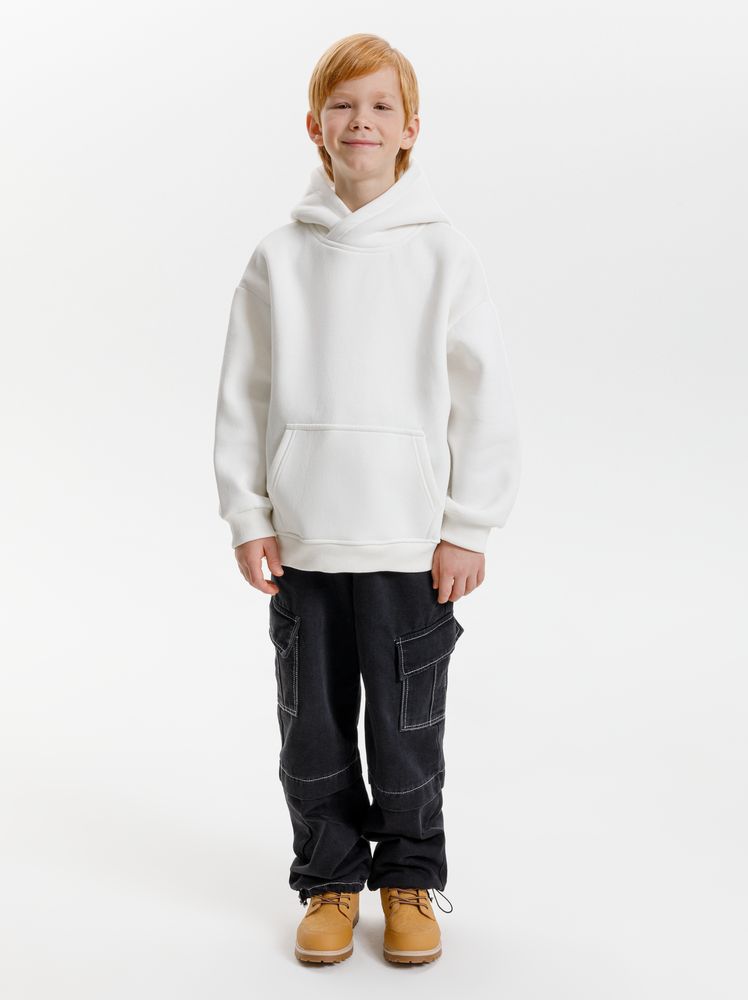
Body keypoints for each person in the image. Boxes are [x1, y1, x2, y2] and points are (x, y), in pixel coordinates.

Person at [212, 33, 521, 965]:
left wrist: (468, 525)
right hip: (305, 544)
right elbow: (244, 395)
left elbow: (483, 398)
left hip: (409, 545)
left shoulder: (444, 255)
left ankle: (409, 879)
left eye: (381, 106)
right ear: (315, 126)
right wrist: (249, 514)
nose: (362, 121)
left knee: (406, 729)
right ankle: (330, 882)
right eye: (343, 105)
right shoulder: (278, 258)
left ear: (410, 128)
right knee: (311, 730)